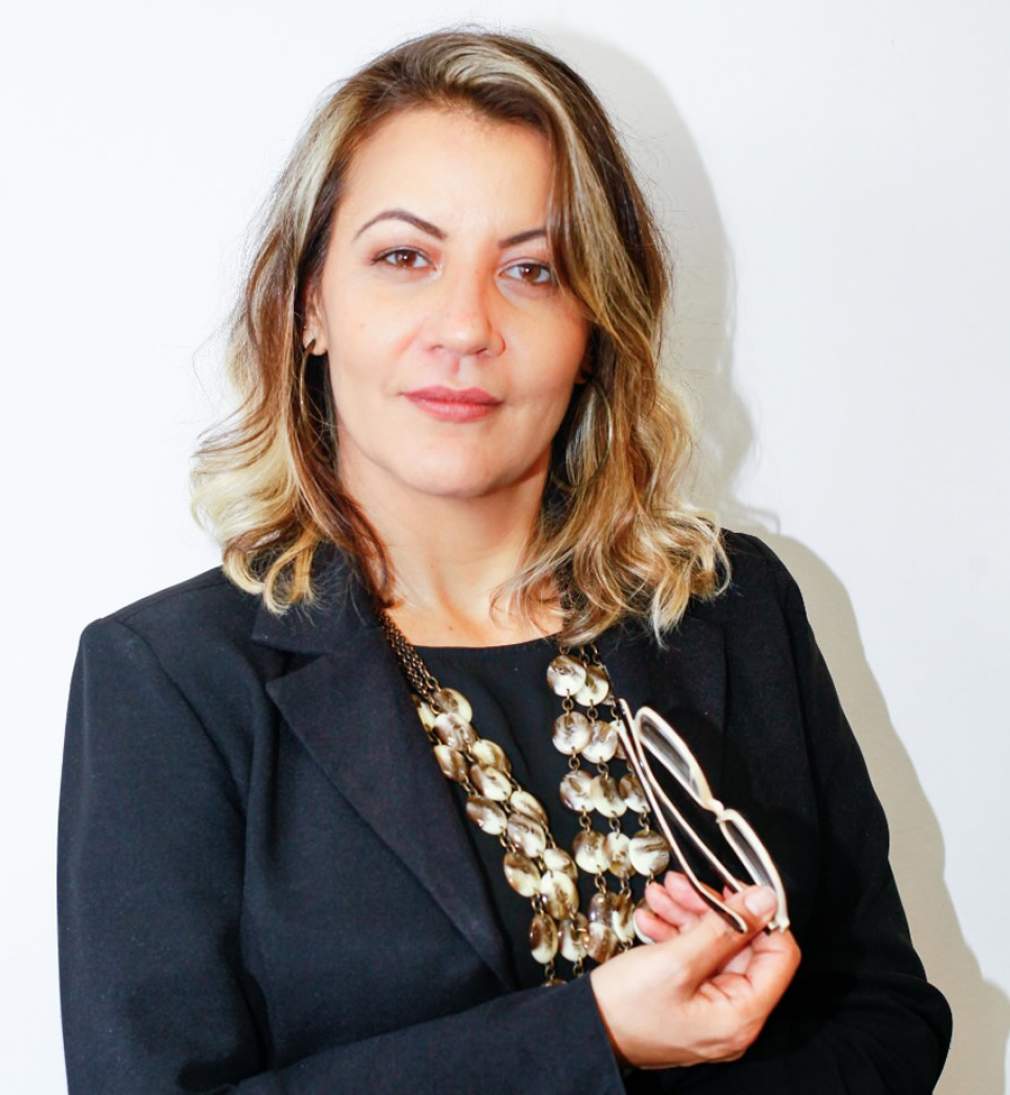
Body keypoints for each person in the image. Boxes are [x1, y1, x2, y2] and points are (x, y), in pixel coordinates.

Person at [56, 26, 952, 1094]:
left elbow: (890, 1016)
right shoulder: (169, 678)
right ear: (308, 305)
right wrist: (591, 1037)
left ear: (594, 327)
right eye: (404, 257)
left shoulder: (728, 602)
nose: (465, 325)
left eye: (532, 270)